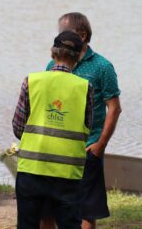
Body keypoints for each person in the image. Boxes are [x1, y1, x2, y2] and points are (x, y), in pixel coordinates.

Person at [45, 12, 122, 229]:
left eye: (64, 32)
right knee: (49, 208)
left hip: (87, 150)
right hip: (57, 150)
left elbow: (114, 108)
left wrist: (99, 145)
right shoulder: (52, 65)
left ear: (82, 34)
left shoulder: (102, 67)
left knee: (86, 211)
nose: (59, 37)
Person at [13, 31, 94, 229]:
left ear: (52, 53)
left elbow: (18, 127)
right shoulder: (85, 87)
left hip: (32, 169)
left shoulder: (31, 81)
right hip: (67, 174)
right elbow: (86, 130)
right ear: (78, 57)